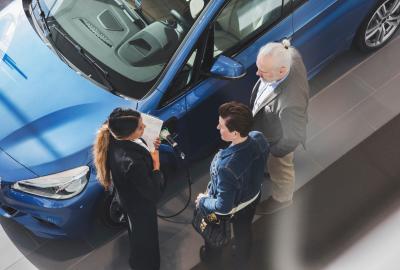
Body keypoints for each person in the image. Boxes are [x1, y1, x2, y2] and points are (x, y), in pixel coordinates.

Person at [195, 101, 269, 267]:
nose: (217, 127)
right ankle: (242, 258)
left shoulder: (226, 167)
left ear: (235, 133)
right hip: (252, 199)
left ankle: (212, 259)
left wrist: (203, 200)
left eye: (221, 126)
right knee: (244, 231)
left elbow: (223, 207)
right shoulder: (259, 137)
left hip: (231, 209)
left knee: (212, 232)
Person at [93, 107, 163, 270]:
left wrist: (150, 144)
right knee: (146, 240)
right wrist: (156, 164)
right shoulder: (132, 164)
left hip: (127, 199)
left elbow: (137, 143)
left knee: (137, 234)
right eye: (140, 127)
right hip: (140, 206)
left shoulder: (115, 136)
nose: (144, 128)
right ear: (128, 134)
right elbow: (154, 193)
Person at [250, 39, 309, 214]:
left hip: (278, 139)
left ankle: (282, 199)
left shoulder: (290, 103)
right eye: (258, 67)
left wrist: (275, 152)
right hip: (269, 128)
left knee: (281, 168)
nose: (257, 73)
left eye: (264, 72)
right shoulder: (290, 54)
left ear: (282, 71)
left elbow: (292, 138)